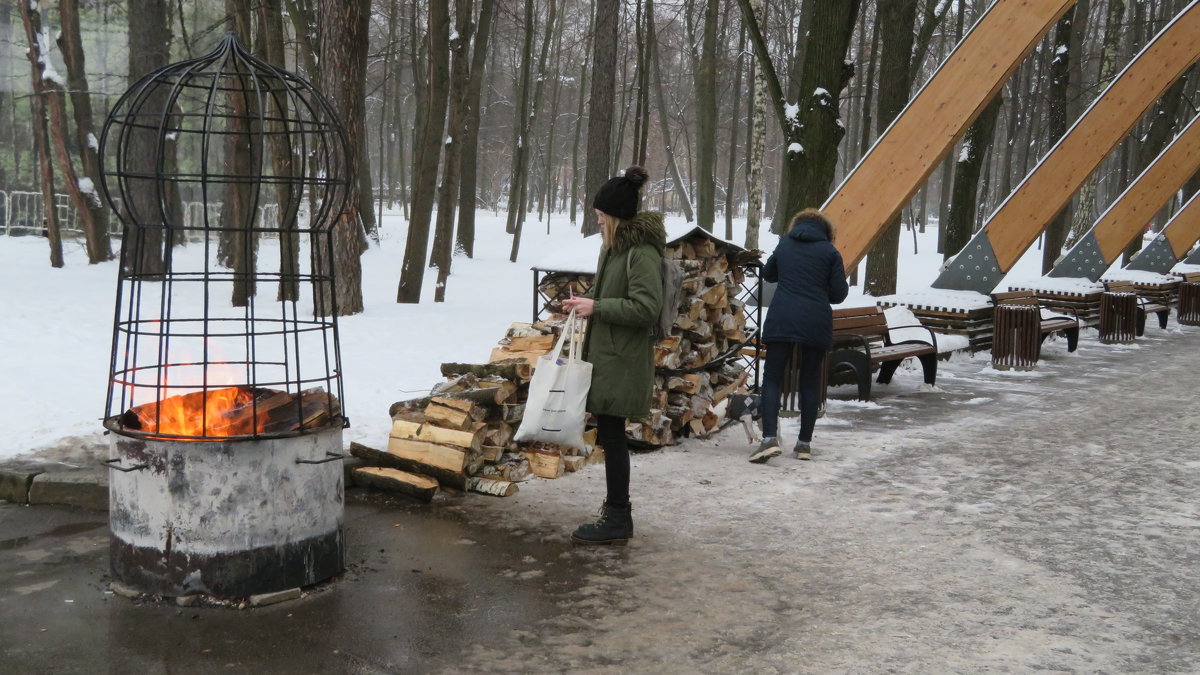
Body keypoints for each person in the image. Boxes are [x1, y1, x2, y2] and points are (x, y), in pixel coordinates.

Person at [562, 165, 665, 545]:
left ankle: (619, 516)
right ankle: (617, 512)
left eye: (601, 213)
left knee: (613, 436)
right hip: (608, 356)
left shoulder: (641, 253)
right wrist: (584, 303)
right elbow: (608, 297)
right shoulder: (614, 249)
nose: (597, 217)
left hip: (622, 360)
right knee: (610, 434)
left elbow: (646, 308)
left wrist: (598, 306)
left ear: (616, 216)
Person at [749, 208, 848, 464]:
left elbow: (768, 274)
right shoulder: (830, 252)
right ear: (826, 231)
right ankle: (804, 444)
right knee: (809, 381)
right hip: (815, 320)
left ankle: (769, 438)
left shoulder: (785, 245)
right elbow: (839, 294)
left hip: (782, 317)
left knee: (772, 378)